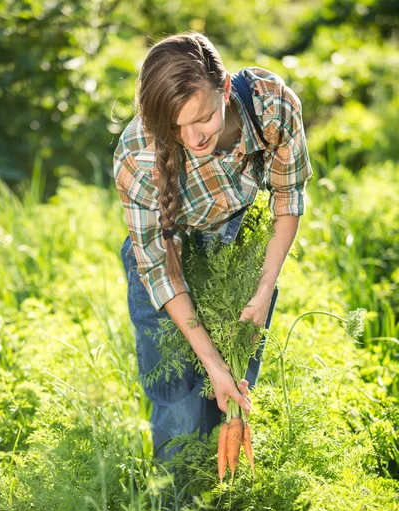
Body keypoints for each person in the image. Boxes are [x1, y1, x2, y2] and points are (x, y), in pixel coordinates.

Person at [113, 31, 313, 463]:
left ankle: (223, 508)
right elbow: (158, 269)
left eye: (202, 118)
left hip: (237, 260)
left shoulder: (270, 105)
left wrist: (262, 293)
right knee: (182, 406)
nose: (192, 138)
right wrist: (211, 361)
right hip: (167, 269)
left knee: (231, 398)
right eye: (175, 126)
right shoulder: (138, 156)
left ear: (223, 90)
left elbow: (287, 199)